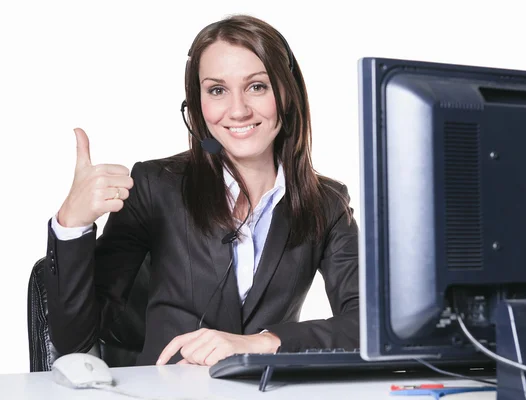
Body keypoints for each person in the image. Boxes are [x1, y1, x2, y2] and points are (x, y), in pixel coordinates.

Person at [45, 14, 359, 367]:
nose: (238, 110)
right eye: (217, 90)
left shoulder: (327, 205)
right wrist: (71, 224)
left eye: (258, 86)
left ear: (287, 94)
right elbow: (76, 338)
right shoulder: (155, 186)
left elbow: (369, 324)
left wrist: (262, 342)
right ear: (196, 105)